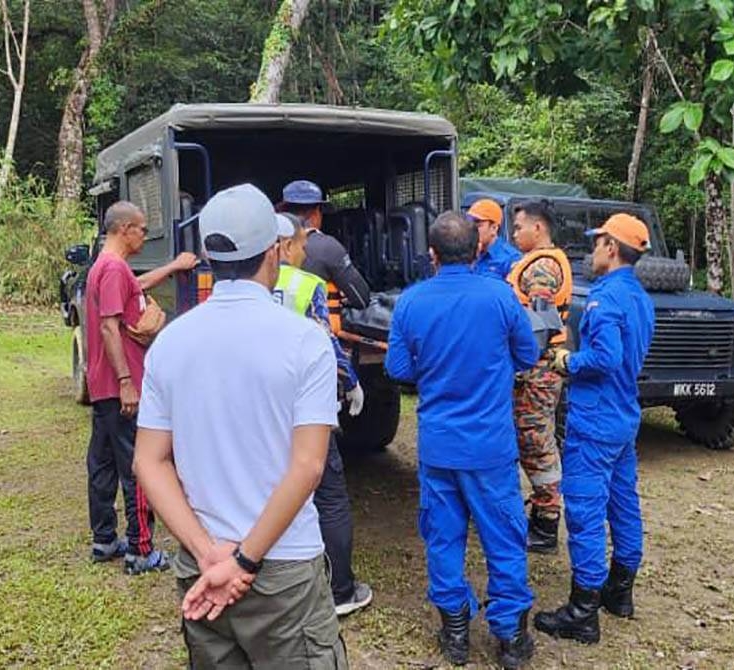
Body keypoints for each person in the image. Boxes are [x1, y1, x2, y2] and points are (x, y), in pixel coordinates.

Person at [133, 184, 348, 669]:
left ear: (208, 254)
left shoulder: (171, 342)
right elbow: (309, 465)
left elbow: (148, 459)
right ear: (273, 251)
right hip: (284, 569)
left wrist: (209, 554)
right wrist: (244, 560)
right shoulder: (304, 340)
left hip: (203, 567)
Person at [385, 211, 541, 669]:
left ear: (431, 254)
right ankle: (511, 637)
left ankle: (455, 631)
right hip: (490, 447)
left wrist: (432, 368)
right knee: (505, 537)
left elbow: (398, 370)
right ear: (477, 250)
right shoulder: (500, 296)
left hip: (439, 447)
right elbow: (528, 354)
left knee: (443, 537)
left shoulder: (411, 303)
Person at [533, 213, 655, 645]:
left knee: (585, 512)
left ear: (611, 247)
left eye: (597, 241)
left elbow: (605, 359)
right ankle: (620, 593)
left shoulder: (605, 300)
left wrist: (568, 362)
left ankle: (582, 613)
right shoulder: (640, 297)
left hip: (596, 419)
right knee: (624, 503)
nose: (591, 250)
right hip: (623, 415)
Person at [84, 201, 199, 575]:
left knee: (101, 463)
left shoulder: (105, 267)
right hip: (121, 388)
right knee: (137, 465)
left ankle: (104, 539)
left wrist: (174, 266)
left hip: (101, 386)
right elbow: (108, 327)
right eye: (142, 229)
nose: (145, 236)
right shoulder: (114, 268)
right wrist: (127, 382)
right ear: (124, 229)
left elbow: (137, 287)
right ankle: (140, 549)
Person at [272, 212, 373, 616]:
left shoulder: (238, 286)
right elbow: (325, 342)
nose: (303, 253)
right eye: (299, 245)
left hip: (262, 406)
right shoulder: (306, 285)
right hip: (305, 405)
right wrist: (350, 382)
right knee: (328, 495)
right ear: (282, 246)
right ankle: (340, 590)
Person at [506, 201, 573, 554]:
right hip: (535, 371)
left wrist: (520, 364)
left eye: (519, 227)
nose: (515, 234)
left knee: (536, 444)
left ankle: (546, 525)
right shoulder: (535, 262)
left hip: (536, 372)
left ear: (538, 228)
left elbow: (539, 326)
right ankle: (541, 516)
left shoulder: (543, 267)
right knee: (532, 441)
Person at [280, 179, 371, 309]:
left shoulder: (268, 246)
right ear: (316, 212)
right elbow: (362, 298)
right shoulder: (328, 247)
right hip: (316, 326)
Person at [467, 198, 522, 281]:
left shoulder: (510, 258)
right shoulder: (465, 254)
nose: (472, 228)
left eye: (478, 224)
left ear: (494, 228)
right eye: (469, 223)